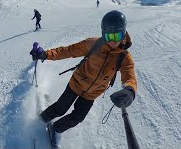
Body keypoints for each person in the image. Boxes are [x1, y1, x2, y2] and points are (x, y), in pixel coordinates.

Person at [30, 10, 137, 148]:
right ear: (103, 33)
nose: (112, 41)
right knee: (60, 108)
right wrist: (46, 54)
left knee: (77, 118)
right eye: (108, 36)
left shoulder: (123, 56)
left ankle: (56, 128)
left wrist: (130, 90)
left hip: (92, 93)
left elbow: (129, 74)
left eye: (117, 36)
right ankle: (39, 121)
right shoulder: (94, 44)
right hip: (77, 83)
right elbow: (68, 50)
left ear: (123, 34)